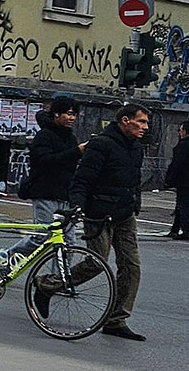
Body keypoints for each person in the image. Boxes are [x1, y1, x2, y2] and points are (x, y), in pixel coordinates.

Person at [57, 103, 152, 340]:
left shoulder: (135, 148)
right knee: (97, 263)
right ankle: (48, 284)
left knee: (132, 266)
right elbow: (82, 179)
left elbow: (134, 179)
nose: (145, 127)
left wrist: (135, 202)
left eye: (146, 123)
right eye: (141, 122)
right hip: (98, 212)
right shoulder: (101, 144)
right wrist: (77, 206)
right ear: (125, 121)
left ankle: (116, 320)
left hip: (124, 214)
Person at [8, 96, 82, 264]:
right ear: (56, 114)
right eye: (68, 114)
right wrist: (76, 152)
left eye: (74, 114)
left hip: (65, 196)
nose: (72, 118)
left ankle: (58, 281)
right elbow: (45, 162)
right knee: (41, 237)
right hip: (45, 193)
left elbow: (72, 166)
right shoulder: (44, 136)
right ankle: (7, 260)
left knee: (68, 242)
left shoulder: (71, 138)